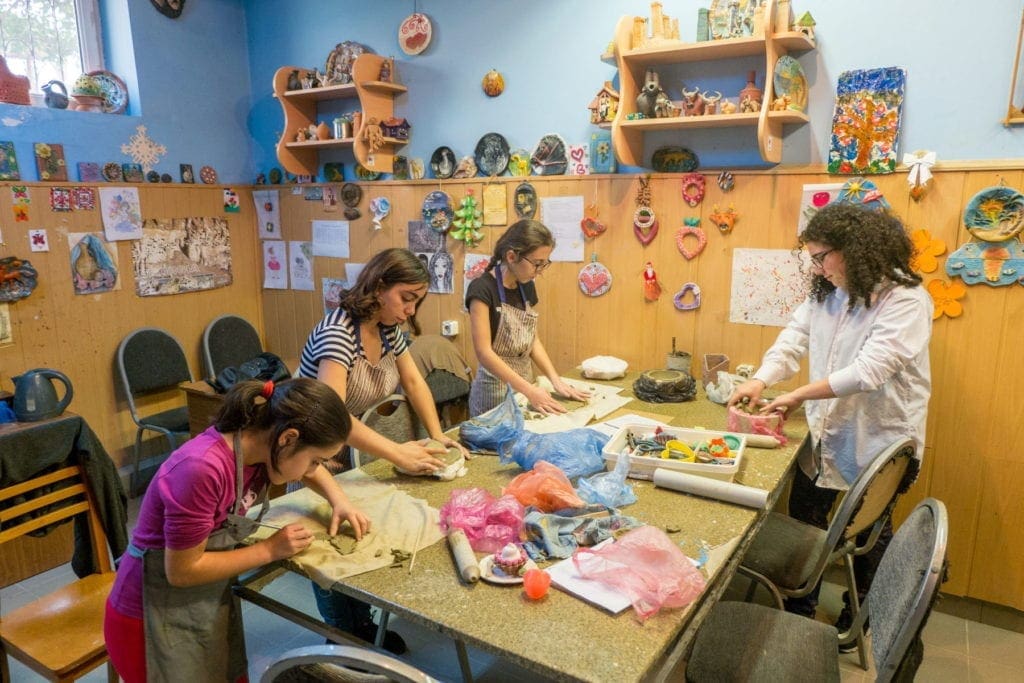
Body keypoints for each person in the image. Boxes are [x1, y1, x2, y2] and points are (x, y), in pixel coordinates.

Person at [728, 202, 932, 644]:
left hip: (880, 437)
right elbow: (794, 339)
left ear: (856, 251)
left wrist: (799, 394)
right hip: (828, 430)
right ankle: (799, 607)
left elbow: (869, 370)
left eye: (823, 257)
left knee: (868, 533)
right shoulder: (828, 292)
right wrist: (762, 379)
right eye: (813, 259)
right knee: (808, 520)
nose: (817, 269)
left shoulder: (906, 300)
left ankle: (860, 623)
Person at [104, 378, 367, 683]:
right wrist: (268, 550)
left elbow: (307, 468)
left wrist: (340, 500)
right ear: (288, 439)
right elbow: (182, 571)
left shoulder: (260, 449)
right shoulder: (202, 468)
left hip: (202, 604)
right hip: (147, 617)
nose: (314, 468)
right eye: (315, 461)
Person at [298, 246, 467, 652]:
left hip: (351, 452)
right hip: (311, 454)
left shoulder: (388, 329)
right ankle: (341, 637)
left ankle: (364, 626)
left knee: (363, 543)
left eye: (416, 301)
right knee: (333, 553)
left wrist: (436, 433)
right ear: (377, 286)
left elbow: (413, 382)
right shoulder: (338, 333)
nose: (410, 309)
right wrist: (397, 453)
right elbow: (332, 415)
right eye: (406, 297)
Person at [466, 218, 589, 416]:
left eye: (544, 264)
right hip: (494, 393)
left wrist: (555, 380)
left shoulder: (526, 286)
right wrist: (530, 390)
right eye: (536, 264)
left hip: (525, 388)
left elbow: (533, 340)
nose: (539, 271)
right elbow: (484, 353)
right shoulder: (482, 289)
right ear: (512, 256)